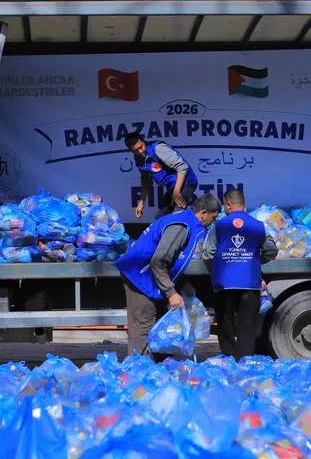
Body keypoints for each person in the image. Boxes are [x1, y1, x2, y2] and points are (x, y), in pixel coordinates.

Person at [115, 193, 222, 357]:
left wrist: (184, 283)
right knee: (143, 329)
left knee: (160, 328)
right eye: (213, 217)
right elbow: (158, 261)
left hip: (151, 277)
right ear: (203, 213)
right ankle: (138, 374)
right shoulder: (181, 226)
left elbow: (172, 260)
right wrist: (171, 293)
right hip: (141, 278)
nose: (213, 222)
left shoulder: (187, 221)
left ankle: (157, 372)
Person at [201, 189, 278, 360]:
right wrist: (255, 260)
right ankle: (245, 361)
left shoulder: (218, 226)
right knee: (247, 325)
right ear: (243, 204)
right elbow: (272, 250)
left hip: (224, 283)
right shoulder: (259, 226)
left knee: (225, 322)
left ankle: (229, 358)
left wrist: (214, 270)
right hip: (250, 282)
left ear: (228, 204)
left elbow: (208, 254)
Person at [125, 132, 199, 220]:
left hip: (186, 182)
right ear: (131, 150)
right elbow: (146, 182)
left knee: (176, 217)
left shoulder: (158, 148)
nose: (140, 151)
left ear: (144, 141)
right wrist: (141, 203)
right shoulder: (139, 159)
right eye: (136, 150)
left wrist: (176, 192)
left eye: (141, 147)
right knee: (160, 217)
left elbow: (182, 167)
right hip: (173, 187)